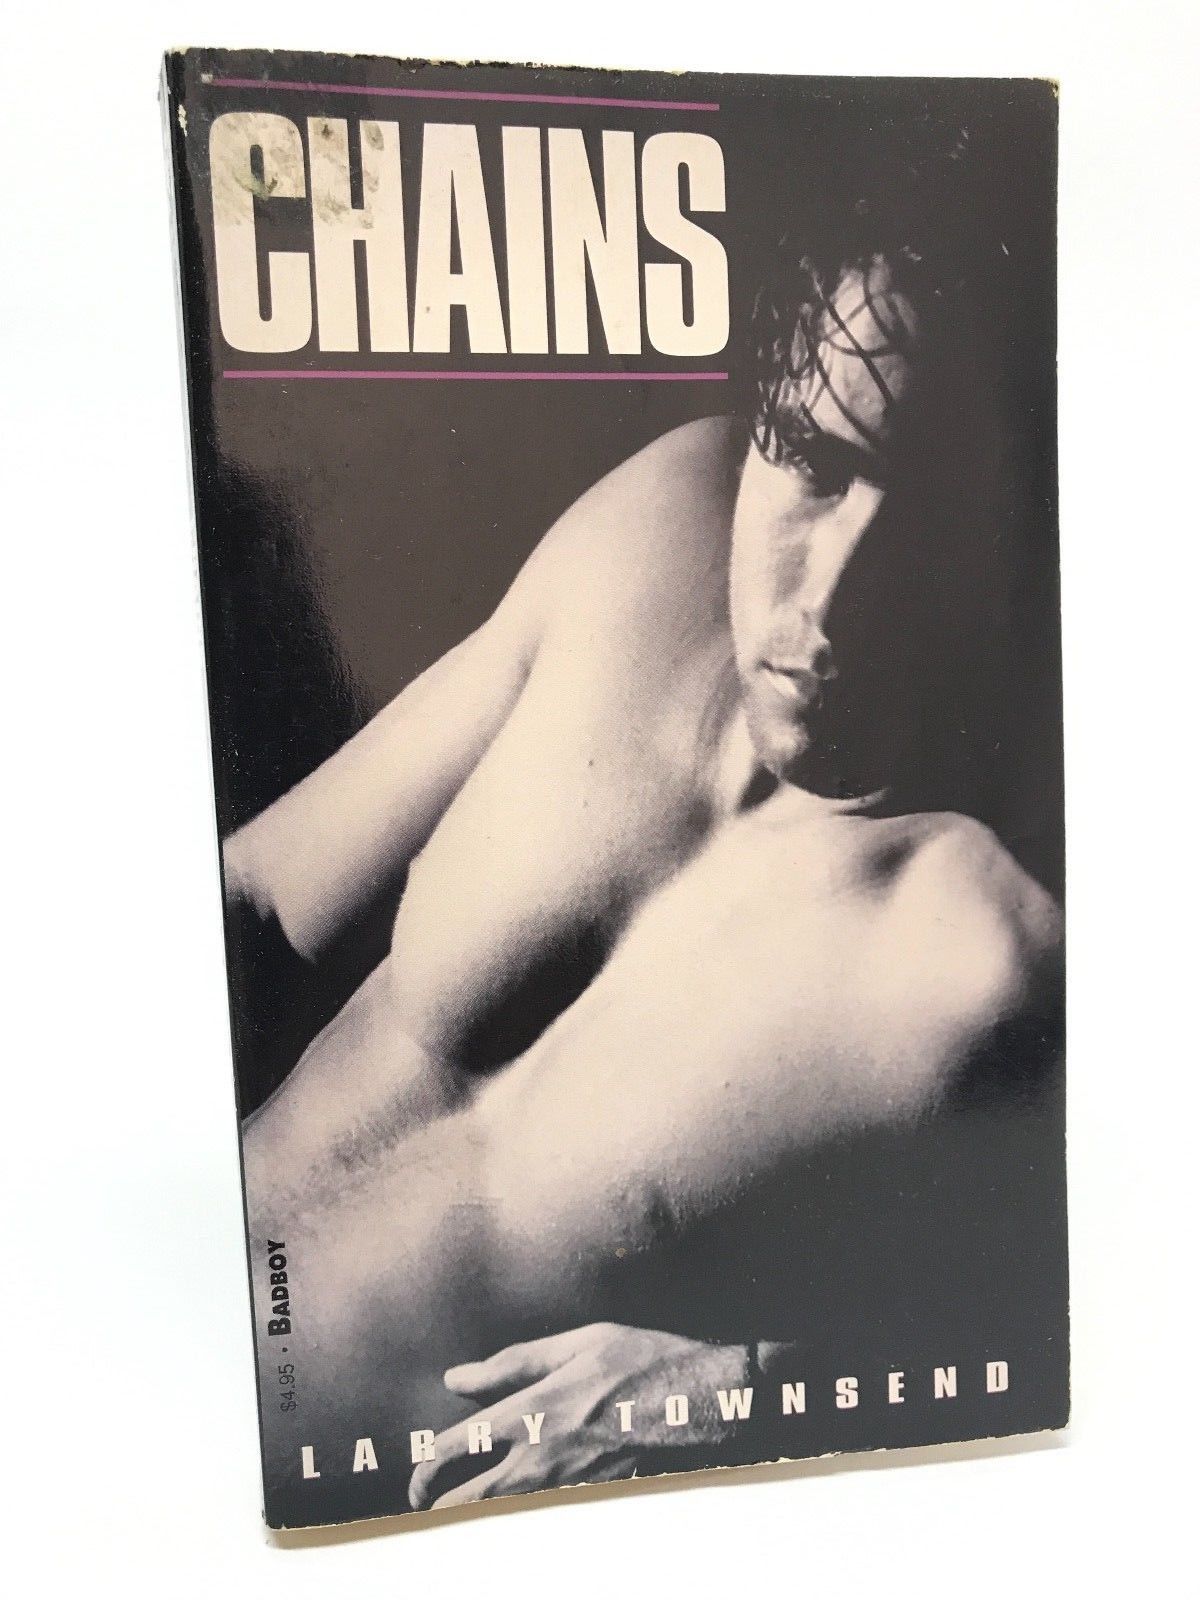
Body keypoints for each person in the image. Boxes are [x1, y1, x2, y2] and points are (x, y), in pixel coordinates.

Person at [224, 139, 1062, 1510]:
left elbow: (1115, 1342)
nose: (828, 604)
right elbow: (259, 896)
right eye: (813, 462)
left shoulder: (1011, 952)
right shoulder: (662, 521)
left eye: (928, 519)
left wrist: (746, 1387)